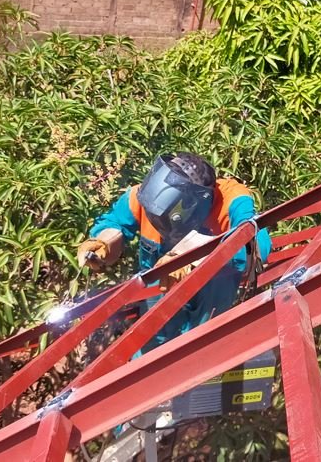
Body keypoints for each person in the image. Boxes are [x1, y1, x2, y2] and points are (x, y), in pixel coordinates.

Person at [76, 152, 271, 354]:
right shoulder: (144, 196)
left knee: (195, 355)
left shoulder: (231, 199)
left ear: (193, 203)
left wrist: (195, 254)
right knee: (147, 359)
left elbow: (259, 247)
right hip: (159, 290)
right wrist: (104, 240)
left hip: (209, 297)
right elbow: (115, 221)